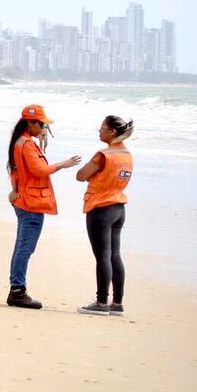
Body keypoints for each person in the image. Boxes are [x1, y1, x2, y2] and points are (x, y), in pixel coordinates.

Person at [5, 105, 81, 309]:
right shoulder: (27, 144)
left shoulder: (20, 141)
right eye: (41, 123)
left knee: (22, 246)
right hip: (31, 201)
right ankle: (17, 290)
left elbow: (14, 170)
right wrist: (63, 164)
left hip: (24, 199)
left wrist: (14, 189)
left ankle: (17, 288)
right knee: (25, 247)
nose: (43, 127)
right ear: (31, 123)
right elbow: (39, 170)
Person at [75, 116, 135, 316]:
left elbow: (81, 175)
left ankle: (101, 303)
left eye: (101, 128)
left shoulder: (103, 155)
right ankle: (117, 303)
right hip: (119, 208)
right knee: (115, 255)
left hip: (100, 207)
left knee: (102, 256)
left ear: (112, 132)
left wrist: (93, 174)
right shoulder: (127, 155)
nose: (98, 131)